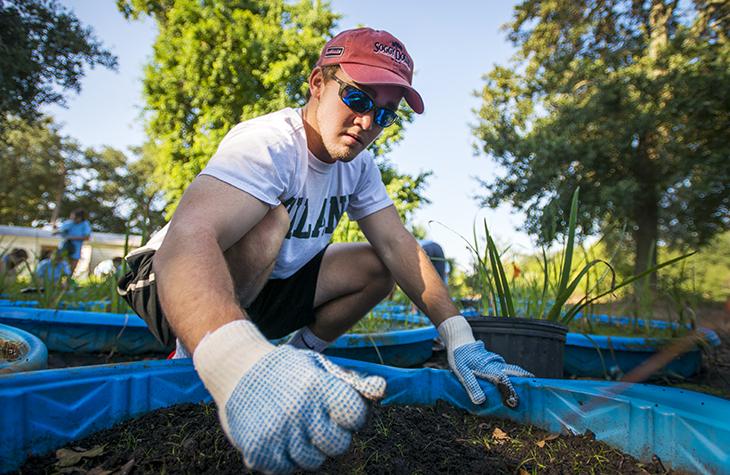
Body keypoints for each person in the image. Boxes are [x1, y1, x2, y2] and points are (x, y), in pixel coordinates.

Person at [118, 27, 531, 473]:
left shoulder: (359, 167)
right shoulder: (268, 143)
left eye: (385, 114)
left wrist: (458, 336)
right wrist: (234, 361)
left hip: (264, 289)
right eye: (357, 99)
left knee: (378, 264)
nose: (368, 122)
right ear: (317, 84)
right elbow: (188, 240)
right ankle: (195, 356)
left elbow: (398, 245)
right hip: (168, 283)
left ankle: (297, 362)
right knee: (270, 220)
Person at [53, 208, 92, 273]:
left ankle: (67, 281)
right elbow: (59, 230)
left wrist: (70, 237)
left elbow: (87, 237)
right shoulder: (69, 223)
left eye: (74, 218)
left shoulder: (85, 224)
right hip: (64, 246)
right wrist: (57, 230)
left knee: (72, 266)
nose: (72, 219)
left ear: (80, 218)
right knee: (57, 261)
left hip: (76, 249)